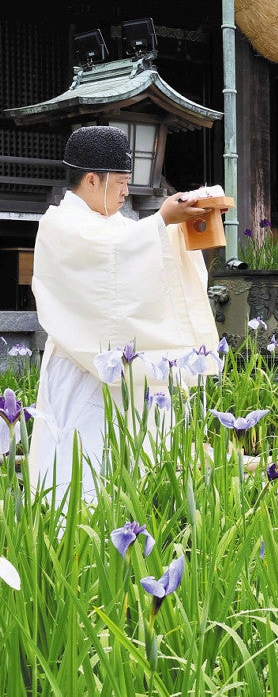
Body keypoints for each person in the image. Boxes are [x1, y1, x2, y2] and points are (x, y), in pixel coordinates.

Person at [28, 125, 221, 506]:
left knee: (122, 478)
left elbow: (134, 250)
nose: (125, 191)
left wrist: (183, 225)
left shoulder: (113, 225)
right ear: (91, 179)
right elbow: (114, 254)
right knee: (76, 470)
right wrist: (162, 221)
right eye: (119, 182)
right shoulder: (60, 224)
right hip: (78, 370)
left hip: (118, 378)